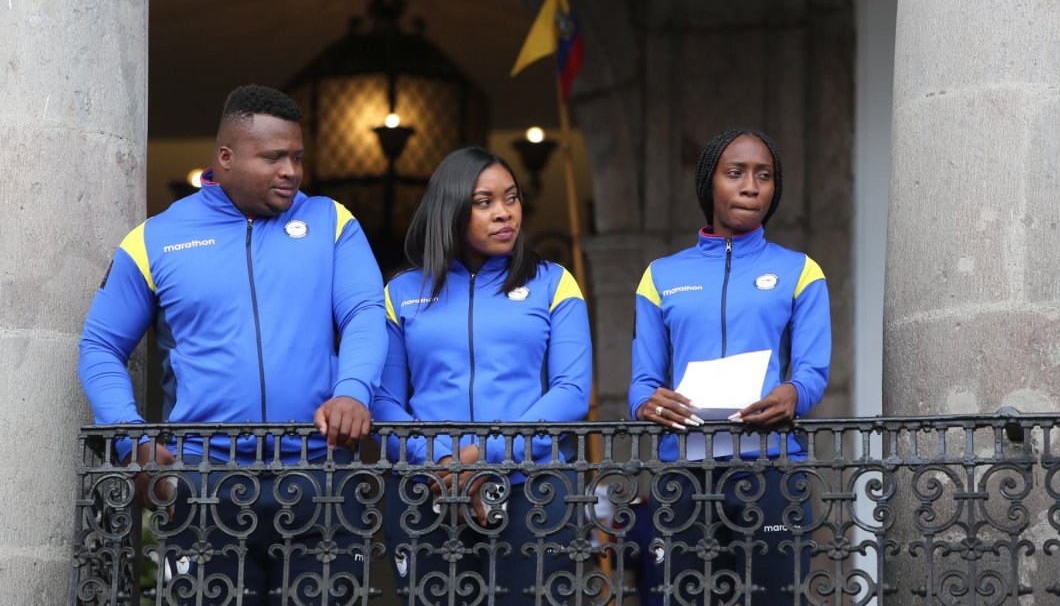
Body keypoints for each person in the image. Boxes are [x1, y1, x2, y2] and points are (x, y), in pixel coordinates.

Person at [77, 84, 387, 605]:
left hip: (320, 475)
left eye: (297, 157)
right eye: (273, 157)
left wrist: (353, 391)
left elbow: (364, 312)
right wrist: (131, 440)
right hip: (202, 483)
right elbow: (100, 345)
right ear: (226, 157)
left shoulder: (332, 223)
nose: (291, 171)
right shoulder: (155, 239)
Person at [372, 146, 593, 604]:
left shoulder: (554, 283)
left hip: (533, 488)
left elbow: (571, 391)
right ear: (450, 209)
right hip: (426, 488)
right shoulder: (400, 292)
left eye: (511, 198)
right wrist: (440, 463)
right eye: (484, 202)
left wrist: (485, 455)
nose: (504, 213)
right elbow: (383, 401)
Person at [629, 128, 830, 605]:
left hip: (772, 465)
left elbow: (811, 371)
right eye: (735, 173)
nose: (751, 187)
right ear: (709, 183)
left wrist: (794, 393)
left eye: (764, 175)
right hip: (684, 469)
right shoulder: (661, 275)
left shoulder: (801, 270)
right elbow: (642, 382)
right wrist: (646, 403)